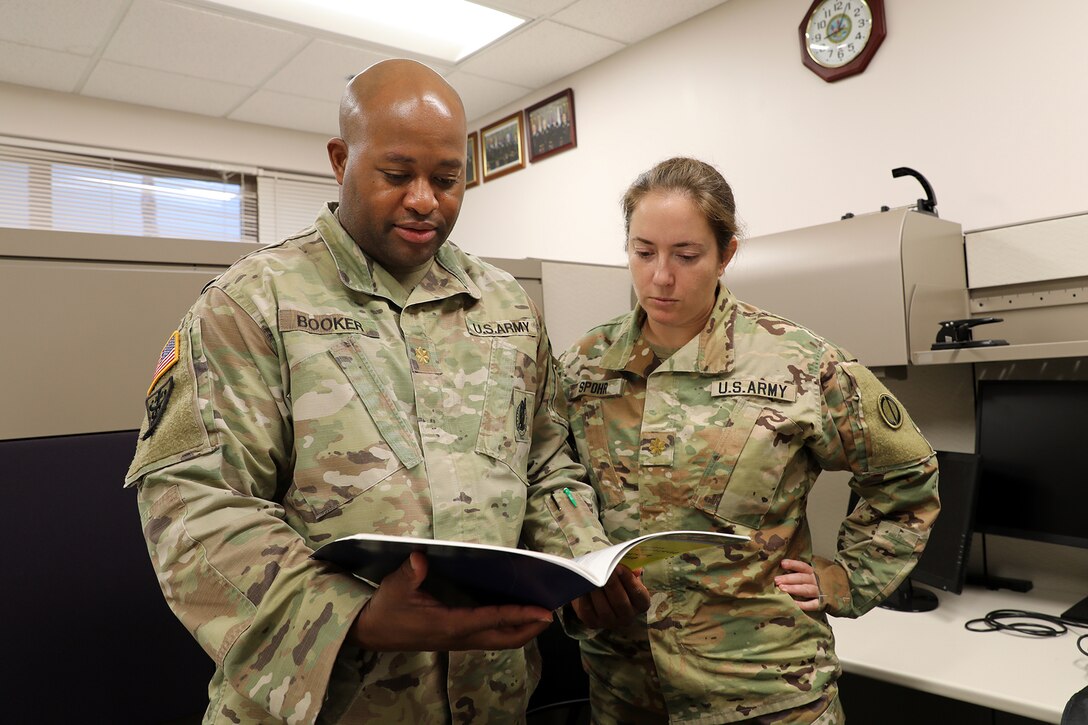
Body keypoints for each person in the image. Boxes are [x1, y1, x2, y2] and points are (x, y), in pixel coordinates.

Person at [124, 59, 647, 724]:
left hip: (490, 701)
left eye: (447, 178)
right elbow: (191, 503)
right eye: (397, 175)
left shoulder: (506, 306)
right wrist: (353, 614)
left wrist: (582, 563)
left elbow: (545, 462)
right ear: (341, 159)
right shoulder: (253, 304)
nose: (425, 198)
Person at [558, 157, 941, 724]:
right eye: (643, 252)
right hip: (627, 692)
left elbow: (907, 475)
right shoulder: (582, 369)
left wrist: (847, 578)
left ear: (726, 253)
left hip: (767, 691)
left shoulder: (800, 363)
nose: (661, 276)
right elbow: (553, 483)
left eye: (686, 255)